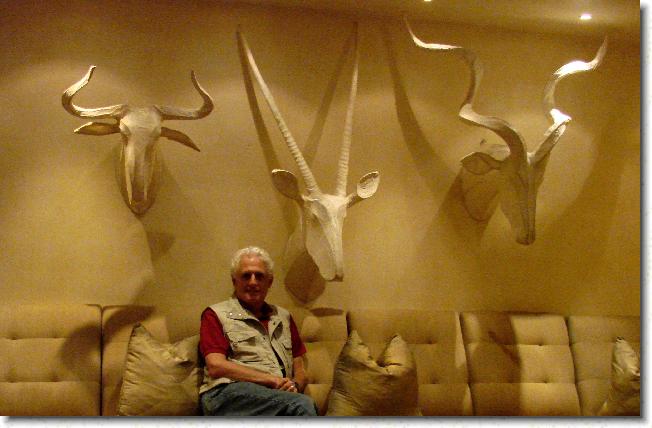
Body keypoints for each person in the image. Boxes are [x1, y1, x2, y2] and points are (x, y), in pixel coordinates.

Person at [199, 246, 318, 416]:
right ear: (234, 281)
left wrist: (295, 385)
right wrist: (271, 380)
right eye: (246, 276)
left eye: (259, 276)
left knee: (297, 406)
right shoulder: (215, 314)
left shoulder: (283, 317)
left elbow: (299, 368)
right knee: (302, 405)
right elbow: (216, 366)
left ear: (269, 282)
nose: (253, 282)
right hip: (227, 393)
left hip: (275, 397)